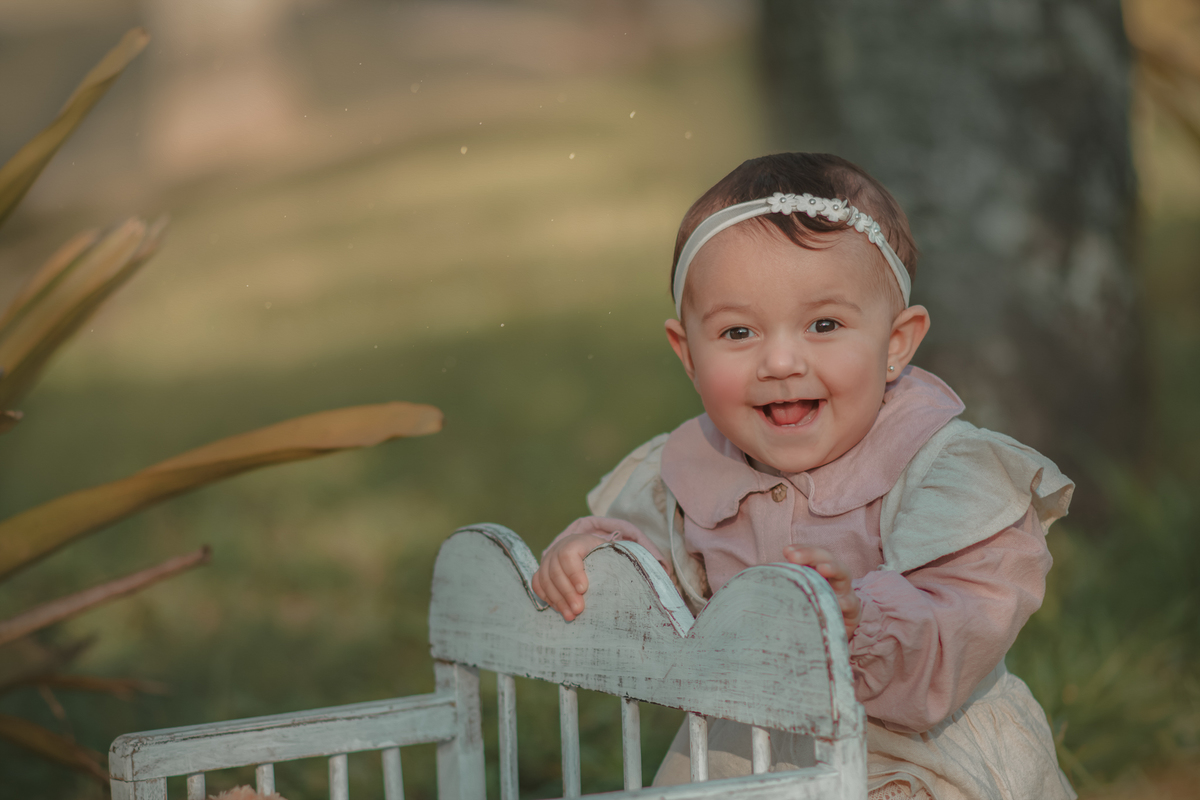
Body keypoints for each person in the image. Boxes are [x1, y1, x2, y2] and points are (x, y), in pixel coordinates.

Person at [530, 153, 1076, 800]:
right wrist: (591, 557)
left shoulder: (943, 473)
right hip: (745, 752)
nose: (781, 361)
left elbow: (968, 620)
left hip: (915, 756)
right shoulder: (689, 471)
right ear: (688, 354)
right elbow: (646, 569)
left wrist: (860, 620)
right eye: (738, 332)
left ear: (896, 342)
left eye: (824, 325)